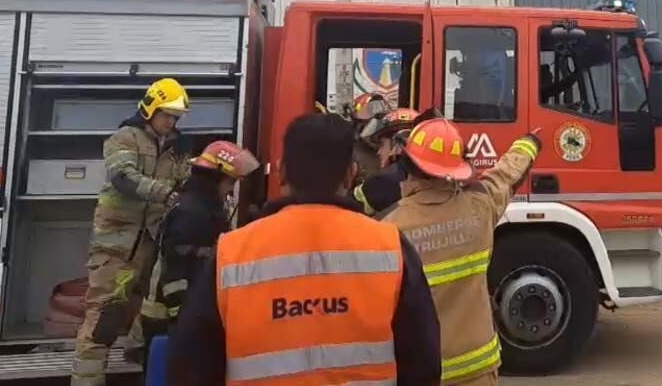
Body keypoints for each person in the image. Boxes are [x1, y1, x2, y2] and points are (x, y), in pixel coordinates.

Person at [167, 113, 441, 386]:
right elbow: (423, 364)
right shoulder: (391, 248)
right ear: (350, 175)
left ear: (283, 171)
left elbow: (191, 367)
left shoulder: (230, 254)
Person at [385, 119, 541, 386]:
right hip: (479, 369)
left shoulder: (388, 228)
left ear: (407, 166)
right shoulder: (480, 207)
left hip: (422, 373)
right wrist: (529, 144)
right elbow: (505, 176)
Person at [71, 78, 192, 386]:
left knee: (149, 318)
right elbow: (123, 176)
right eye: (167, 114)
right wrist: (164, 193)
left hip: (152, 247)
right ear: (150, 108)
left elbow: (185, 181)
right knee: (104, 320)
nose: (171, 122)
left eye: (176, 117)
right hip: (117, 248)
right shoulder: (124, 138)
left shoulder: (176, 149)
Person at [136, 139, 259, 357]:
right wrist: (183, 316)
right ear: (215, 179)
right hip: (167, 316)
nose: (230, 189)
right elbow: (176, 270)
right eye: (230, 183)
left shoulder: (204, 206)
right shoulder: (193, 212)